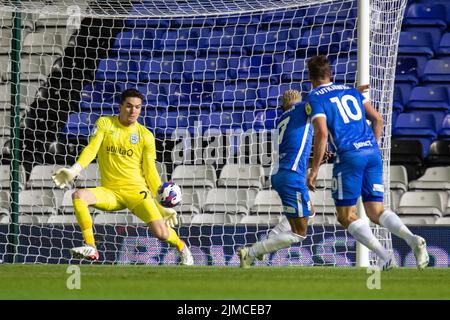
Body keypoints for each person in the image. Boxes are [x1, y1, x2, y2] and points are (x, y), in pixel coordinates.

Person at [305, 55, 429, 270]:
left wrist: (314, 169)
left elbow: (322, 133)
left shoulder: (315, 97)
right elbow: (378, 119)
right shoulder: (352, 91)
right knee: (376, 211)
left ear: (310, 76)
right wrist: (373, 145)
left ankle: (384, 256)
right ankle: (412, 239)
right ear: (330, 73)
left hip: (349, 156)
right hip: (372, 152)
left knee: (346, 216)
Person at [52, 88, 194, 265]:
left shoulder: (145, 136)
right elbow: (92, 149)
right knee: (78, 195)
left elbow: (151, 172)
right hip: (110, 192)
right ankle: (91, 246)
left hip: (137, 193)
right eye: (129, 106)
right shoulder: (105, 123)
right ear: (120, 107)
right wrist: (74, 170)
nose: (133, 111)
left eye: (137, 107)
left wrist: (162, 204)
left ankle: (182, 247)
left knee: (162, 233)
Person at [237, 89, 314, 268]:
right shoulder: (303, 109)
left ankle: (271, 238)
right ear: (299, 101)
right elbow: (325, 101)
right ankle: (252, 252)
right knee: (299, 233)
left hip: (279, 173)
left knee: (309, 211)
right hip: (291, 175)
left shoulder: (281, 119)